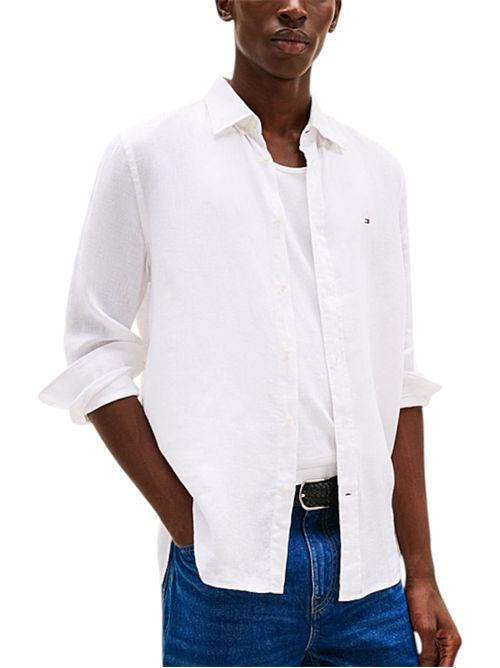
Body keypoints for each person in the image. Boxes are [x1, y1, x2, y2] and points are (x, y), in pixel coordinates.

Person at [38, 1, 462, 665]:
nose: (293, 7)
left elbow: (398, 380)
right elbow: (94, 349)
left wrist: (423, 570)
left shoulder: (377, 173)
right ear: (225, 2)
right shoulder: (149, 157)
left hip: (370, 568)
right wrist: (188, 522)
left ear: (336, 13)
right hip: (227, 571)